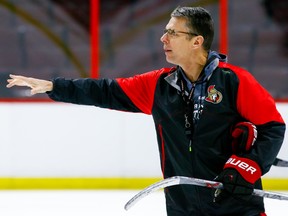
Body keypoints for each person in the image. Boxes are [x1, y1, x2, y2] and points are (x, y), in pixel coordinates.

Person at [6, 6, 286, 216]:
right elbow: (105, 90)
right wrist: (54, 86)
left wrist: (248, 166)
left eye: (172, 32)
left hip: (235, 204)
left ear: (197, 41)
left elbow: (273, 126)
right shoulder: (158, 85)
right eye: (165, 30)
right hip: (183, 207)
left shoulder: (234, 81)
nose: (163, 38)